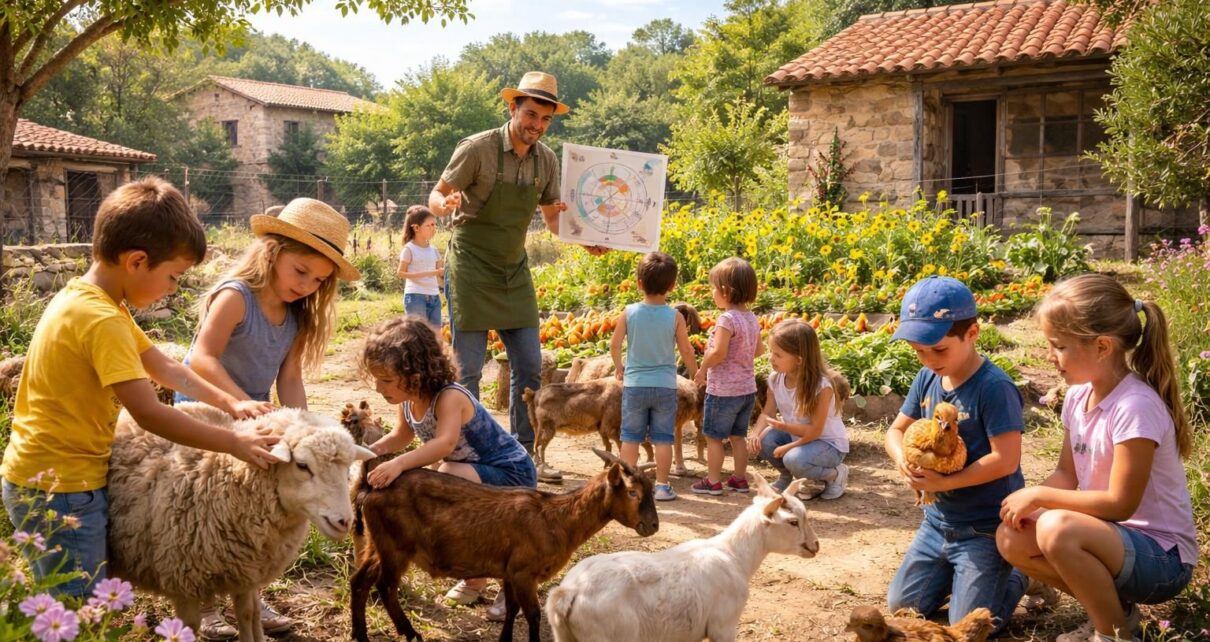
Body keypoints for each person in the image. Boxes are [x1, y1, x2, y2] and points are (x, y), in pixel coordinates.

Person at [1, 177, 279, 599]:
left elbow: (166, 368)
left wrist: (231, 403)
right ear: (136, 261)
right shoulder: (102, 320)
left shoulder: (93, 300)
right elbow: (149, 413)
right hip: (60, 489)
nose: (173, 288)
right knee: (79, 610)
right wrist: (233, 442)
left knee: (79, 601)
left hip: (47, 478)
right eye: (173, 276)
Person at [173, 197, 360, 638]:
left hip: (255, 420)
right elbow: (201, 359)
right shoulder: (235, 296)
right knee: (205, 514)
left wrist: (307, 424)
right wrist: (236, 403)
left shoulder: (296, 315)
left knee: (249, 517)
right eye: (301, 272)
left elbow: (290, 379)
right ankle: (204, 599)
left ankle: (249, 591)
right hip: (207, 414)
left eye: (319, 280)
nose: (308, 285)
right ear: (274, 252)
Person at [997, 274, 1197, 642]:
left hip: (1163, 559)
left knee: (1057, 528)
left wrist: (1040, 498)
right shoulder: (1077, 397)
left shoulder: (1134, 407)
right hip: (1113, 541)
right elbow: (1064, 473)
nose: (1049, 357)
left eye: (1058, 347)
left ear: (1102, 347)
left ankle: (1114, 636)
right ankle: (1115, 613)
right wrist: (1027, 506)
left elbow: (1120, 504)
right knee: (1013, 537)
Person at [427, 71, 606, 476]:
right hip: (470, 263)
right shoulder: (478, 149)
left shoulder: (547, 160)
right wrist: (442, 205)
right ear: (512, 108)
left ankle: (524, 452)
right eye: (530, 115)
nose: (537, 126)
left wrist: (586, 238)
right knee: (468, 368)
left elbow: (553, 221)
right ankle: (464, 450)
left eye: (545, 120)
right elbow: (437, 194)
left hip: (513, 267)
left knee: (529, 364)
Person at [362, 316, 537, 622]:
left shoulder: (449, 396)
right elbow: (402, 435)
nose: (379, 388)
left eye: (386, 380)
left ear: (416, 372)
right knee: (449, 486)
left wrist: (399, 463)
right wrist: (370, 451)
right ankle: (476, 576)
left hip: (510, 475)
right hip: (468, 474)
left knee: (447, 478)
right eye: (375, 379)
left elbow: (444, 444)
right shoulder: (407, 400)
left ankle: (510, 589)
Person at [883, 275, 1025, 632]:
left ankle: (1020, 577)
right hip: (937, 524)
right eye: (919, 351)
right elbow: (895, 430)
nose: (928, 359)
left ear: (973, 334)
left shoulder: (994, 388)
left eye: (939, 349)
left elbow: (1005, 460)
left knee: (972, 626)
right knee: (902, 608)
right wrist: (903, 461)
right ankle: (960, 577)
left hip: (984, 527)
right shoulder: (927, 378)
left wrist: (948, 481)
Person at [609, 252, 699, 502]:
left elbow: (614, 345)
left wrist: (619, 367)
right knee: (663, 439)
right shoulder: (675, 316)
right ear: (671, 286)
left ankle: (628, 486)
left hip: (635, 385)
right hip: (664, 387)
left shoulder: (629, 313)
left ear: (639, 283)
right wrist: (694, 373)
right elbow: (686, 350)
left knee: (630, 438)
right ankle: (662, 486)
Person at [747, 319, 851, 500]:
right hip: (800, 437)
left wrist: (789, 444)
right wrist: (755, 433)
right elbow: (767, 413)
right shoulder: (775, 379)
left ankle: (835, 474)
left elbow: (815, 431)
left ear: (799, 359)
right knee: (765, 440)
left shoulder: (822, 386)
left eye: (778, 355)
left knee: (792, 459)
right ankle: (787, 477)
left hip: (828, 444)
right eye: (771, 352)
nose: (771, 358)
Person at [692, 257, 762, 496]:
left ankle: (713, 481)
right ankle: (739, 479)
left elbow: (718, 352)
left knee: (713, 438)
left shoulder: (727, 319)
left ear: (725, 291)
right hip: (746, 389)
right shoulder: (751, 318)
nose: (712, 292)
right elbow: (759, 350)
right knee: (738, 437)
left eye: (714, 287)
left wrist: (702, 369)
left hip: (723, 391)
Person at [397, 205, 444, 328]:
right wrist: (431, 273)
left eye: (434, 225)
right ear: (416, 228)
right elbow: (401, 273)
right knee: (418, 336)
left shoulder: (434, 250)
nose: (433, 229)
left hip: (434, 297)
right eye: (429, 225)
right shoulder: (409, 249)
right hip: (415, 297)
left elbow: (440, 275)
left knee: (435, 337)